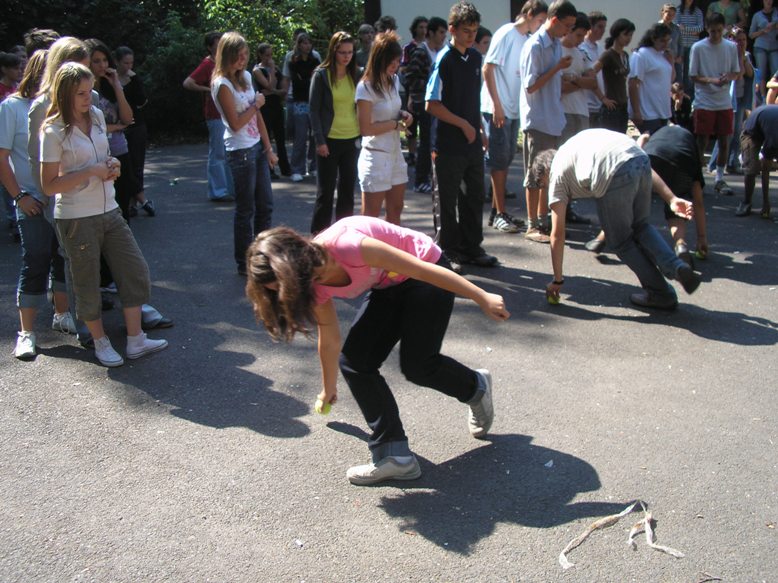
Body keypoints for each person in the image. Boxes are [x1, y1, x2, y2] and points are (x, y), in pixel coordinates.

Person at [244, 215, 510, 485]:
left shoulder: (348, 245)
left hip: (428, 270)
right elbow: (330, 337)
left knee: (418, 366)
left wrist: (481, 296)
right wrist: (328, 387)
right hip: (389, 284)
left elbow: (421, 270)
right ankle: (394, 456)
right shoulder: (312, 283)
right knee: (355, 360)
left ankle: (475, 387)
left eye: (281, 286)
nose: (282, 295)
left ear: (293, 266)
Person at [40, 63, 168, 366]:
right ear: (64, 94)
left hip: (109, 208)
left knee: (134, 270)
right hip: (76, 217)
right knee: (86, 282)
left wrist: (112, 165)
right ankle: (100, 341)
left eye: (90, 91)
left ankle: (136, 339)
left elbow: (104, 156)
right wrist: (91, 171)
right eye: (81, 94)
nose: (89, 98)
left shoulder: (97, 116)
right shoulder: (53, 131)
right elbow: (49, 185)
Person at [540, 129, 702, 310]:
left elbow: (557, 235)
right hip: (640, 159)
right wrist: (671, 198)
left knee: (621, 242)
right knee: (640, 226)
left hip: (614, 173)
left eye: (544, 186)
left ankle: (661, 293)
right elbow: (633, 159)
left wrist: (557, 280)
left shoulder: (556, 173)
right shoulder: (575, 144)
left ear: (545, 172)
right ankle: (677, 267)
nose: (548, 192)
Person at [1, 50, 75, 359]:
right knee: (36, 259)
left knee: (63, 256)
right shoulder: (12, 107)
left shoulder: (59, 105)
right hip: (31, 200)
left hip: (62, 199)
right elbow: (2, 158)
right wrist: (20, 197)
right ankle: (26, 332)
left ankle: (62, 314)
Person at [427, 1, 499, 270]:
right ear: (452, 29)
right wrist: (463, 125)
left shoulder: (476, 58)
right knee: (447, 200)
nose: (471, 36)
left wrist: (479, 128)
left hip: (471, 143)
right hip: (447, 144)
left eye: (474, 31)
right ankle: (447, 252)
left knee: (474, 196)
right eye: (466, 31)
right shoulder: (444, 60)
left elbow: (472, 100)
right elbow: (431, 104)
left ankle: (472, 248)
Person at [211, 32, 277, 276]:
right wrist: (256, 104)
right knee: (246, 209)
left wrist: (269, 149)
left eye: (245, 54)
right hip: (240, 152)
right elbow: (236, 123)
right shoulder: (222, 85)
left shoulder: (247, 77)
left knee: (266, 205)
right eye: (238, 56)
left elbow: (257, 116)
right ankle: (243, 261)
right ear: (227, 56)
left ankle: (262, 257)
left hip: (257, 147)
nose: (243, 59)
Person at [482, 0, 548, 234]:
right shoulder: (507, 33)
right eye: (540, 20)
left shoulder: (526, 39)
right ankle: (500, 213)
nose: (540, 25)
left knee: (506, 158)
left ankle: (497, 212)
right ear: (529, 14)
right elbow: (488, 68)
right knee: (499, 161)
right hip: (498, 107)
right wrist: (496, 105)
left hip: (512, 108)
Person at [519, 0, 578, 243]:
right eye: (567, 25)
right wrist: (557, 68)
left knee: (550, 173)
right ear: (554, 20)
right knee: (535, 174)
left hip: (554, 118)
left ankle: (543, 220)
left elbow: (553, 79)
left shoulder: (555, 44)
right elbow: (530, 86)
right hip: (538, 119)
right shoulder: (535, 45)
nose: (569, 31)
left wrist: (565, 74)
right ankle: (532, 224)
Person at [356, 31, 411, 225]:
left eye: (398, 61)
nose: (395, 66)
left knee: (396, 209)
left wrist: (404, 115)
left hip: (395, 153)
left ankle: (392, 245)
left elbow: (391, 111)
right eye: (391, 61)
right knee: (371, 217)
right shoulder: (365, 87)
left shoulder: (394, 80)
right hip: (375, 156)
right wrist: (395, 124)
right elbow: (365, 128)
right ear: (380, 59)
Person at [309, 31, 360, 234]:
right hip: (328, 140)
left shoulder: (356, 73)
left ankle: (344, 236)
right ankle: (319, 236)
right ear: (333, 51)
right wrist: (319, 141)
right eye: (342, 52)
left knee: (347, 191)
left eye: (350, 52)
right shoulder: (321, 75)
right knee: (326, 192)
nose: (347, 56)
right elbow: (313, 110)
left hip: (352, 139)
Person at [640, 126, 708, 264]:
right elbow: (698, 201)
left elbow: (643, 138)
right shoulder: (690, 144)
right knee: (676, 208)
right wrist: (702, 238)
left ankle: (603, 237)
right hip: (682, 161)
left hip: (653, 155)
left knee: (634, 200)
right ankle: (680, 244)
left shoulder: (658, 131)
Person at [689, 12, 740, 195]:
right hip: (704, 100)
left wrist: (728, 77)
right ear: (706, 29)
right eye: (712, 31)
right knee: (702, 140)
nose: (716, 35)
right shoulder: (698, 47)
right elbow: (693, 75)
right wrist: (712, 80)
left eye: (719, 31)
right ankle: (696, 177)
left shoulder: (731, 47)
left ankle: (719, 177)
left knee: (724, 140)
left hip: (724, 100)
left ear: (724, 28)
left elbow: (736, 72)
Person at [183, 31, 234, 202]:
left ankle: (230, 189)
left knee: (229, 152)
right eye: (217, 45)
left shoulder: (225, 63)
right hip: (215, 114)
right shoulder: (207, 64)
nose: (220, 48)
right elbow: (188, 83)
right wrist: (209, 90)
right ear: (209, 47)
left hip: (228, 112)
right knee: (218, 153)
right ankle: (218, 191)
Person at [404, 16, 448, 194]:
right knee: (427, 141)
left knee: (436, 141)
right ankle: (420, 180)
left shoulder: (442, 51)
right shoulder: (421, 52)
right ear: (431, 33)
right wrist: (431, 84)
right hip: (423, 103)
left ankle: (431, 177)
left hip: (438, 103)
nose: (444, 36)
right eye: (441, 32)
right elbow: (410, 77)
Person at [707, 27, 754, 174]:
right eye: (738, 40)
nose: (742, 43)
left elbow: (750, 74)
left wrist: (743, 58)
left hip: (740, 99)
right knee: (726, 133)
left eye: (744, 40)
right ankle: (714, 165)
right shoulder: (726, 55)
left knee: (738, 132)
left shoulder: (746, 55)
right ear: (731, 40)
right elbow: (738, 74)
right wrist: (739, 57)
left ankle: (733, 163)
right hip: (727, 99)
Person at [114, 46, 153, 217]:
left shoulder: (134, 78)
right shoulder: (111, 79)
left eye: (131, 63)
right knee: (123, 165)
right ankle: (136, 198)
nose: (128, 66)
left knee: (137, 165)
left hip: (136, 125)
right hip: (117, 126)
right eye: (125, 63)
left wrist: (135, 79)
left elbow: (142, 101)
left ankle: (134, 202)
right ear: (117, 62)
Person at [253, 43, 291, 178]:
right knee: (266, 139)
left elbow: (281, 88)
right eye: (266, 55)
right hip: (265, 107)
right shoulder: (257, 70)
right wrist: (271, 72)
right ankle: (269, 170)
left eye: (271, 55)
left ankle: (285, 168)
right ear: (260, 55)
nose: (269, 58)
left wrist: (274, 91)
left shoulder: (276, 69)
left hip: (276, 105)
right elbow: (270, 85)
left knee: (281, 137)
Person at [286, 33, 319, 182]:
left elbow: (316, 80)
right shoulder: (293, 61)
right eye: (304, 43)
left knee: (316, 135)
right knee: (300, 137)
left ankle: (314, 166)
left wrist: (305, 79)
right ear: (299, 45)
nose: (307, 46)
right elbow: (297, 81)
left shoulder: (315, 60)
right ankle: (296, 169)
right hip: (299, 102)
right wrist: (307, 80)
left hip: (314, 101)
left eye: (309, 43)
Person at [735, 104, 778, 218]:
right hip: (751, 130)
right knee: (751, 168)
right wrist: (766, 202)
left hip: (766, 120)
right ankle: (746, 202)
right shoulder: (774, 138)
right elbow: (765, 169)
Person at [595, 18, 635, 133]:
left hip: (623, 106)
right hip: (611, 107)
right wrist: (603, 98)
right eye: (626, 35)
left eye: (631, 35)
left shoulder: (625, 55)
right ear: (617, 34)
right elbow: (591, 73)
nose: (628, 38)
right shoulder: (608, 55)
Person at [401, 16, 429, 167]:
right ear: (415, 29)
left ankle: (423, 155)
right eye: (421, 27)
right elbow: (403, 68)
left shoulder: (430, 47)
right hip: (411, 90)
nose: (423, 30)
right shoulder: (409, 47)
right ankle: (411, 154)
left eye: (426, 27)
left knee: (426, 126)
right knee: (411, 123)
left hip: (426, 93)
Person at [579, 11, 608, 130]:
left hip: (600, 105)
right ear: (590, 26)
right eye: (600, 27)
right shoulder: (581, 47)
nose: (603, 30)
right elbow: (589, 75)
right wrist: (602, 97)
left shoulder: (601, 47)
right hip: (587, 104)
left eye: (604, 27)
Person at [749, 0, 778, 101]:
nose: (769, 1)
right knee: (761, 72)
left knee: (775, 71)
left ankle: (774, 98)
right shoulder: (757, 15)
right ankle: (763, 97)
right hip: (761, 46)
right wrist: (763, 31)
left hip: (774, 46)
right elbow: (751, 35)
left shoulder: (776, 12)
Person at [675, 0, 704, 98]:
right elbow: (676, 27)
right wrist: (692, 31)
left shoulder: (697, 12)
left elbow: (700, 28)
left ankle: (689, 96)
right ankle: (678, 94)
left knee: (690, 71)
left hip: (693, 46)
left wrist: (684, 28)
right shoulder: (678, 10)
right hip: (680, 45)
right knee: (679, 70)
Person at [660, 4, 683, 83]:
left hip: (675, 61)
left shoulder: (676, 28)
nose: (670, 16)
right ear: (662, 12)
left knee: (678, 84)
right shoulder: (656, 28)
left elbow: (680, 43)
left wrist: (680, 56)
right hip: (662, 60)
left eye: (672, 15)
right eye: (668, 13)